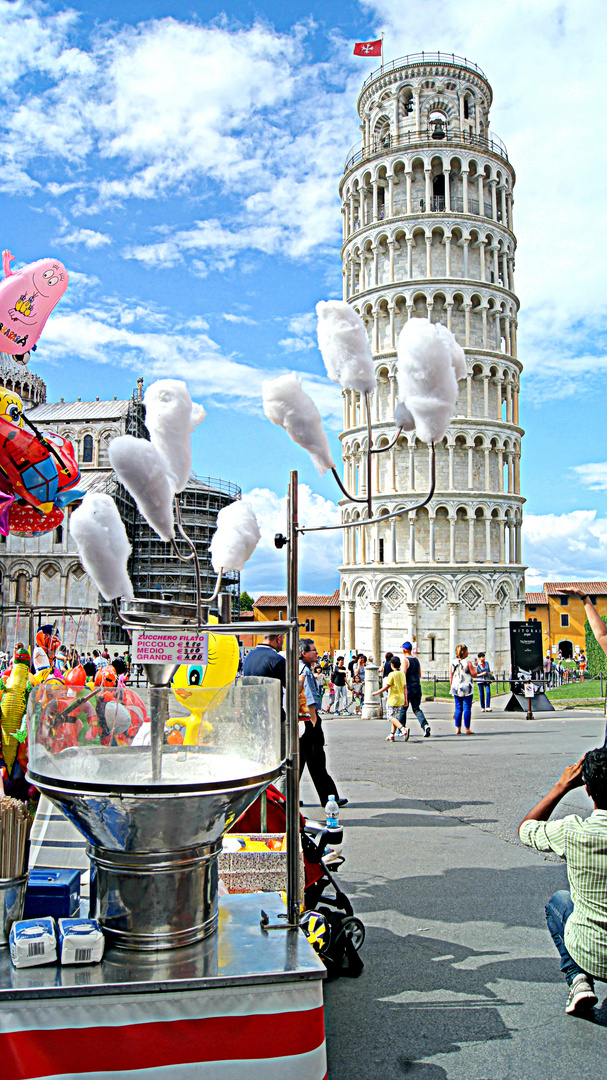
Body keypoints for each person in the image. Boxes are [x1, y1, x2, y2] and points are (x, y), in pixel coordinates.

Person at [519, 747, 607, 1015]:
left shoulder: (572, 831)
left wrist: (561, 786)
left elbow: (526, 829)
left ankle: (578, 978)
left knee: (560, 900)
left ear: (588, 791)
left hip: (593, 954)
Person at [299, 638, 347, 808]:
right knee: (317, 758)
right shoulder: (304, 669)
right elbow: (309, 697)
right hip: (307, 718)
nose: (317, 653)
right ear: (304, 653)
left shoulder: (295, 667)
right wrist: (313, 720)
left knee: (299, 759)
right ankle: (329, 798)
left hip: (298, 719)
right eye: (313, 650)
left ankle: (287, 796)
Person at [373, 656, 408, 741]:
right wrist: (406, 699)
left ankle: (403, 729)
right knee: (395, 717)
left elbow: (387, 686)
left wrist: (377, 692)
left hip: (393, 698)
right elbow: (404, 687)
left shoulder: (391, 674)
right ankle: (392, 734)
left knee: (390, 717)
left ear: (391, 665)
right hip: (401, 698)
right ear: (400, 664)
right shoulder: (402, 674)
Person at [400, 641, 431, 737]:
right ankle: (425, 725)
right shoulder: (416, 660)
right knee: (416, 708)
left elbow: (403, 674)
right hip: (417, 686)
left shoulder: (405, 660)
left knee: (403, 708)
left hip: (408, 687)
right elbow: (420, 674)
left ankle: (401, 729)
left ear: (404, 650)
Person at [450, 644, 477, 734]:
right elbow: (474, 674)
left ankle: (458, 728)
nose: (468, 653)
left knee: (458, 708)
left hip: (456, 687)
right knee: (467, 708)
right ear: (463, 652)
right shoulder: (468, 662)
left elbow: (451, 676)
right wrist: (476, 666)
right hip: (466, 688)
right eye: (466, 651)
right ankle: (467, 729)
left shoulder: (453, 662)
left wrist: (452, 686)